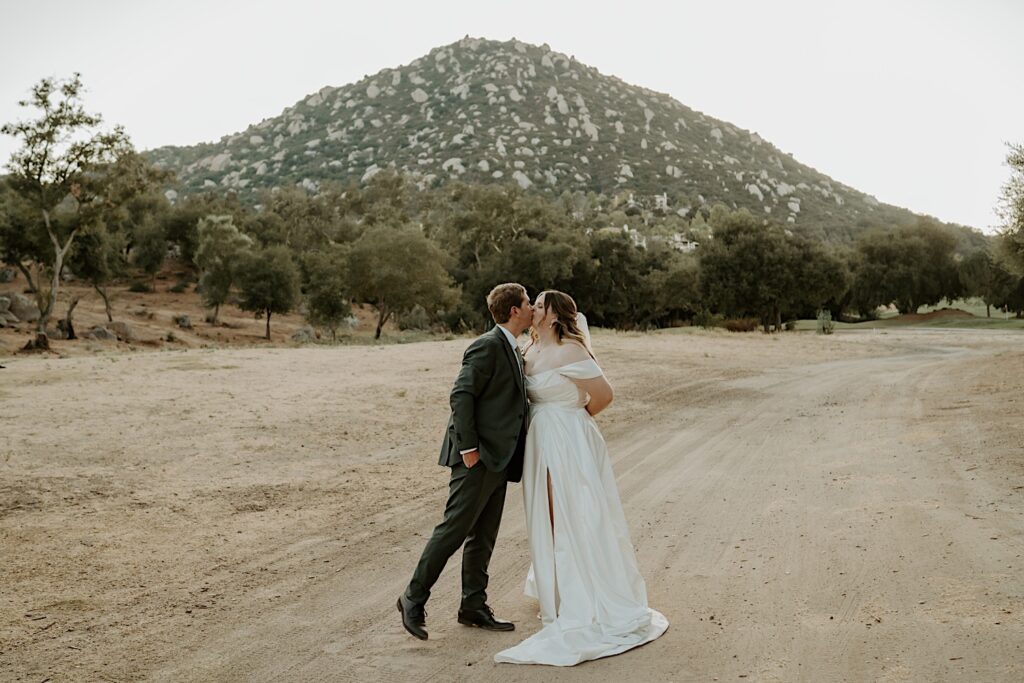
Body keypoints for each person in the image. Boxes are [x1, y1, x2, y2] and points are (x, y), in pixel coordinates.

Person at [494, 290, 669, 666]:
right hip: (540, 439)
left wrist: (571, 417)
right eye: (534, 303)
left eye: (540, 304)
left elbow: (604, 396)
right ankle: (556, 586)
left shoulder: (572, 351)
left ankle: (583, 592)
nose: (534, 308)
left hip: (567, 438)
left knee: (574, 514)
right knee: (548, 514)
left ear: (555, 316)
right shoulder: (530, 350)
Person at [398, 283, 534, 640]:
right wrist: (469, 449)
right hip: (477, 457)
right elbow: (461, 395)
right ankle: (412, 598)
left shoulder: (513, 347)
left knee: (483, 536)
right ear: (514, 310)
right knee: (454, 530)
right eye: (528, 303)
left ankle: (473, 605)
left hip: (500, 458)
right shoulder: (487, 346)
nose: (533, 307)